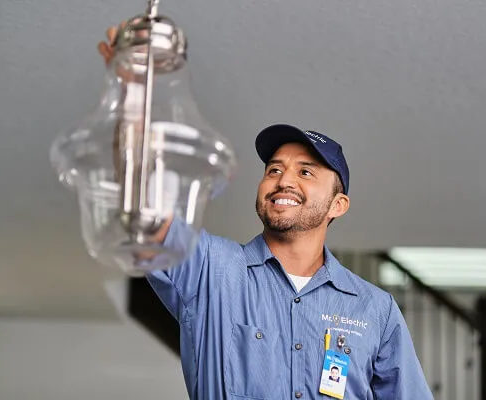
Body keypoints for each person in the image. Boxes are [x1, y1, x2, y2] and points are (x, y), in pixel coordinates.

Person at [98, 24, 434, 400]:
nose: (283, 180)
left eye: (305, 172)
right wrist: (132, 94)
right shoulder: (211, 270)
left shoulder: (376, 310)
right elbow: (145, 206)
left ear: (337, 205)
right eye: (274, 169)